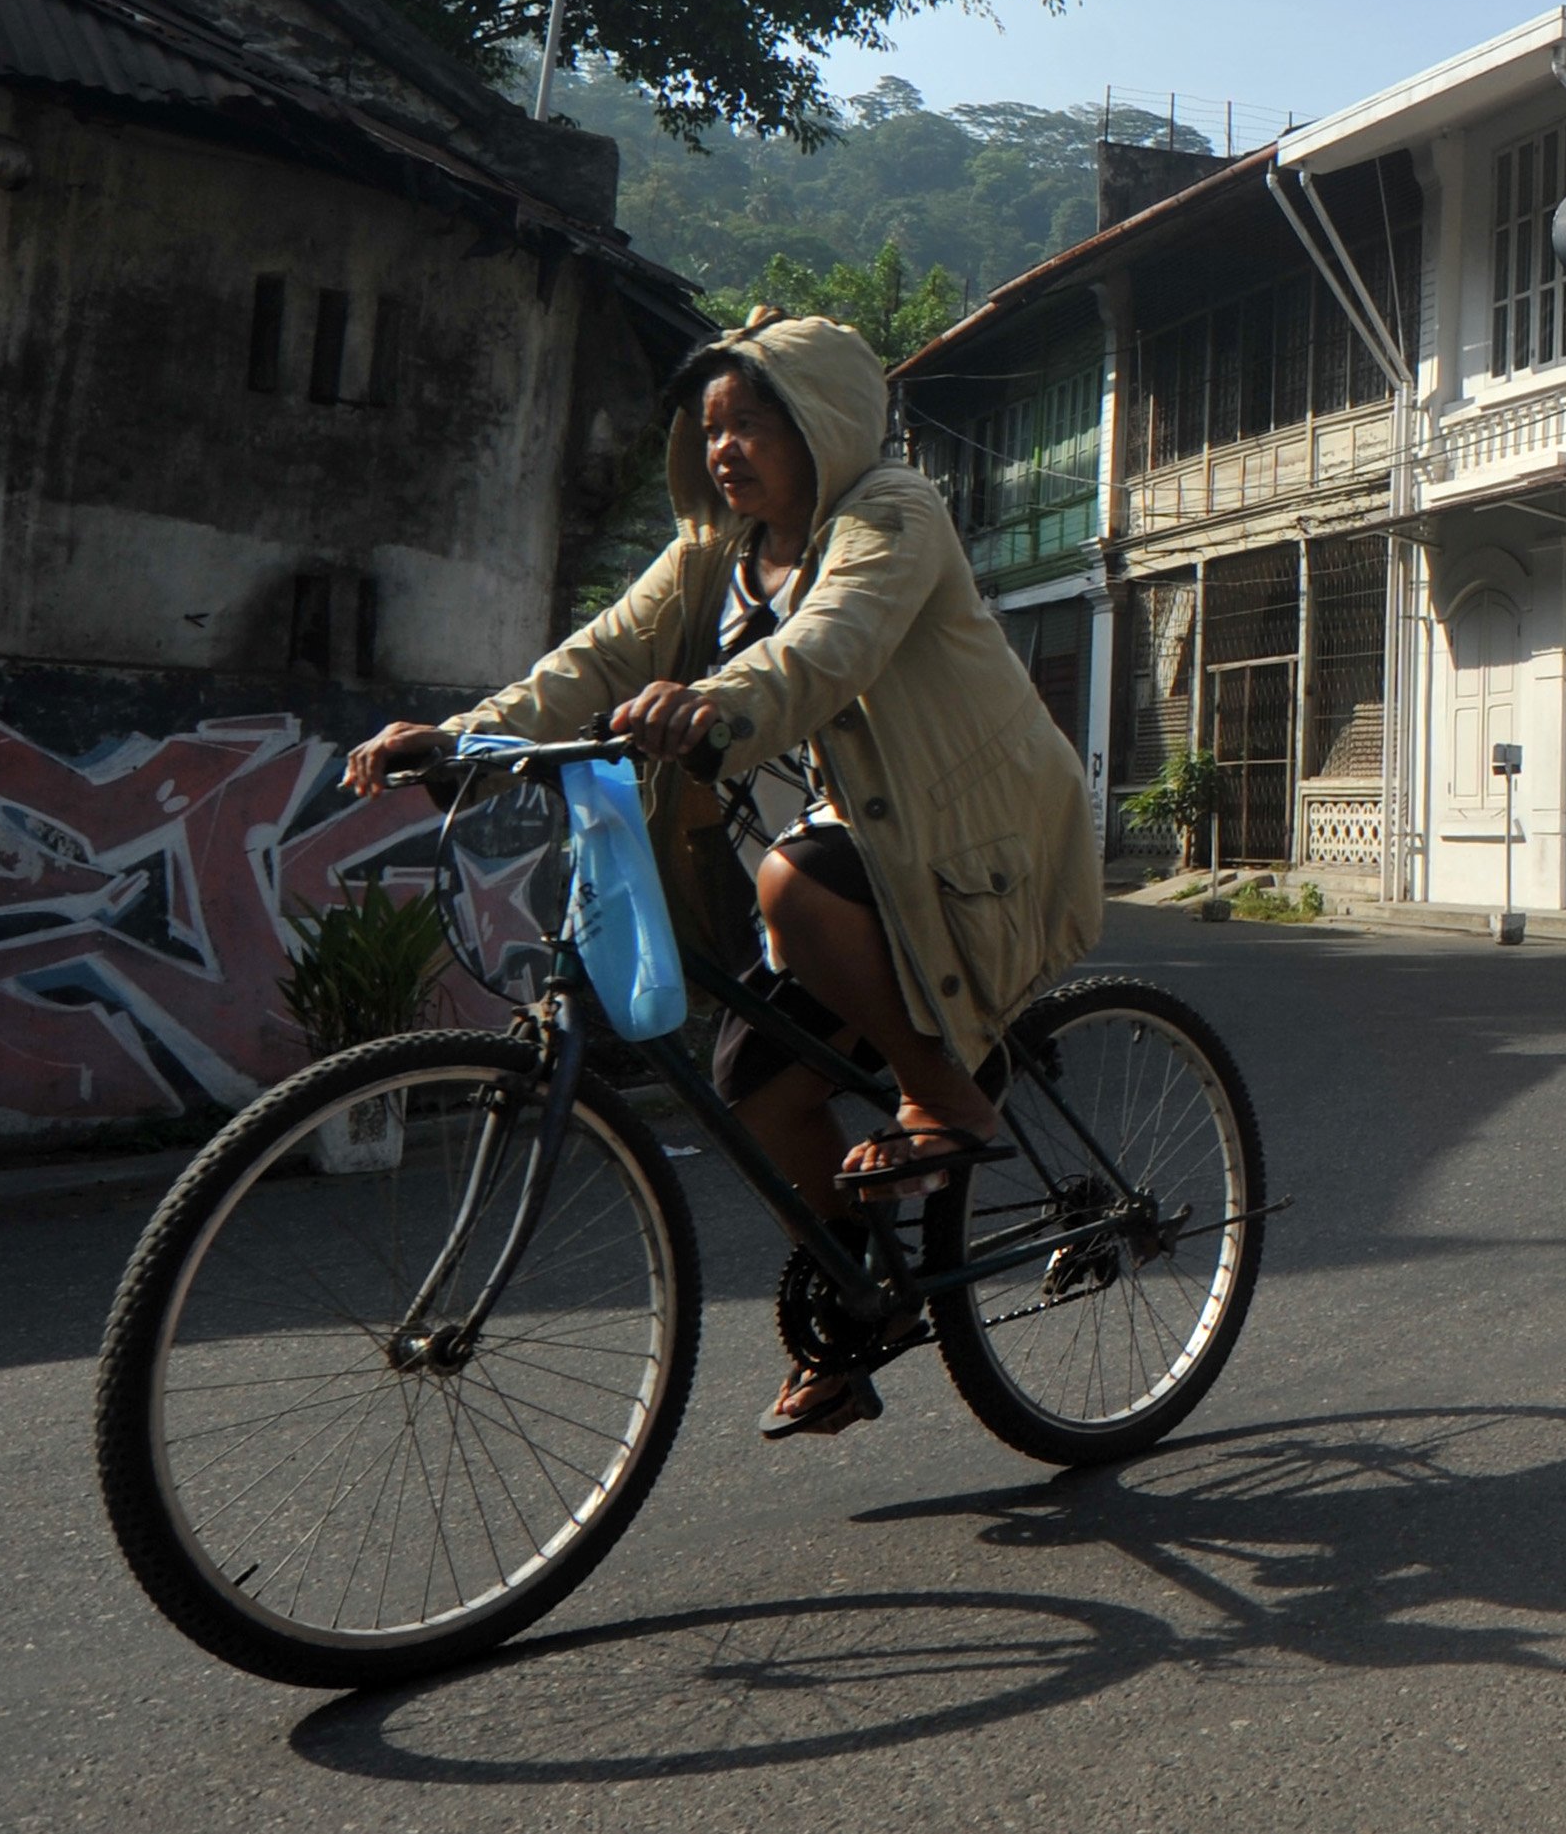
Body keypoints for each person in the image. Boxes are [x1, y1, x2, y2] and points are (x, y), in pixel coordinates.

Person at [346, 306, 1101, 1439]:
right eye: (710, 427)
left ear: (825, 422)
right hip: (852, 846)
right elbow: (594, 656)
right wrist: (464, 740)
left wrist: (719, 699)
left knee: (792, 883)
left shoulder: (893, 511)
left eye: (753, 420)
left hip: (966, 838)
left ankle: (946, 1092)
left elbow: (828, 642)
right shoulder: (712, 555)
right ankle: (855, 1313)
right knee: (756, 1093)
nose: (724, 448)